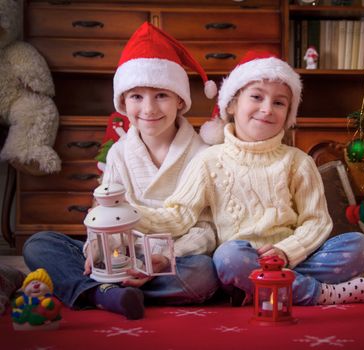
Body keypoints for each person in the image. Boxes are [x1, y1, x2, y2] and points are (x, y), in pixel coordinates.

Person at [133, 50, 364, 306]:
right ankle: (320, 294)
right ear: (231, 104)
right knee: (226, 257)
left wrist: (287, 251)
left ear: (288, 113)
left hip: (294, 257)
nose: (266, 109)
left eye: (279, 102)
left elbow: (316, 221)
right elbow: (179, 214)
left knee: (359, 246)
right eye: (256, 97)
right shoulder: (209, 161)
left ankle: (262, 290)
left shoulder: (298, 162)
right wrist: (132, 215)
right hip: (244, 258)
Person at [23, 22, 220, 320]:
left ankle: (99, 291)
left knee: (203, 275)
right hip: (120, 254)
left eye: (161, 96)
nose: (149, 108)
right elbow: (104, 214)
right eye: (137, 97)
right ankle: (105, 290)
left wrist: (158, 261)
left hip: (172, 258)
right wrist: (95, 251)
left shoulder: (202, 154)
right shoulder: (118, 152)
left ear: (180, 99)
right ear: (123, 102)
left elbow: (208, 230)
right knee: (40, 244)